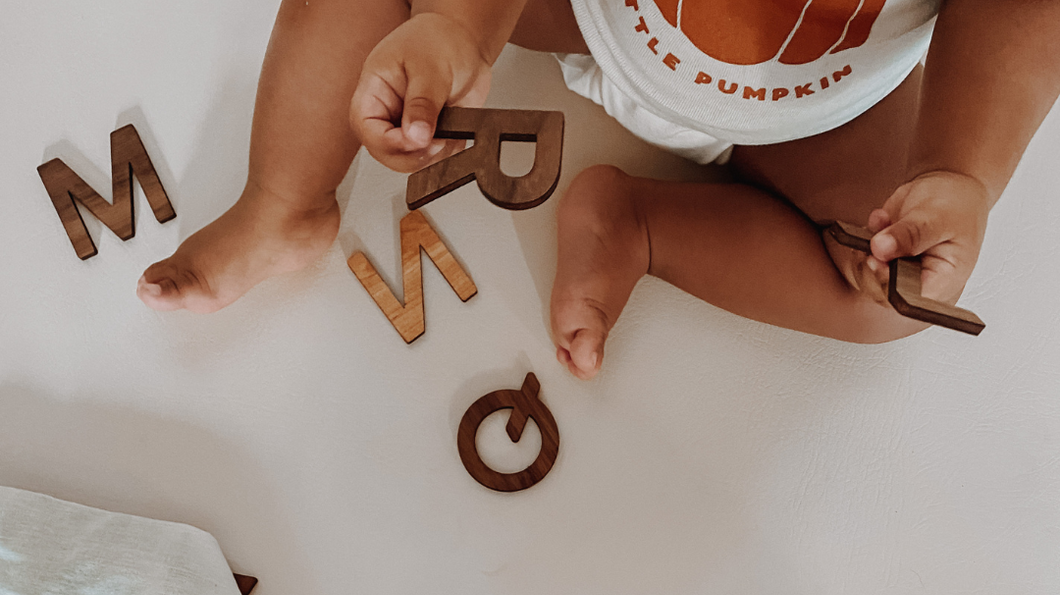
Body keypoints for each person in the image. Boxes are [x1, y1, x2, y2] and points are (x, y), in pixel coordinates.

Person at [136, 0, 1060, 380]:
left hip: (818, 102)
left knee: (888, 301)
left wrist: (959, 170)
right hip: (584, 14)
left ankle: (641, 226)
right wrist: (460, 24)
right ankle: (283, 204)